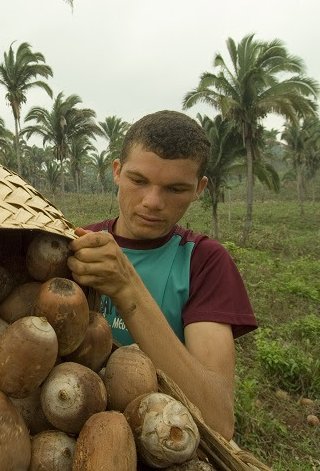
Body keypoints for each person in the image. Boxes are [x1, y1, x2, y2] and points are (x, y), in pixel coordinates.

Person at [67, 110, 257, 440]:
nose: (153, 202)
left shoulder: (205, 262)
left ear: (199, 189)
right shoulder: (79, 243)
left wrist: (128, 287)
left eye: (176, 189)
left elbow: (218, 421)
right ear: (116, 172)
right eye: (138, 181)